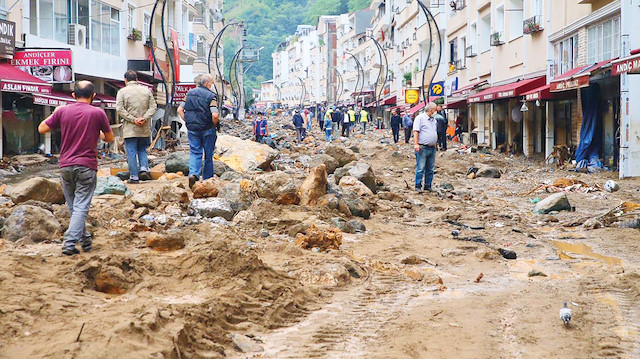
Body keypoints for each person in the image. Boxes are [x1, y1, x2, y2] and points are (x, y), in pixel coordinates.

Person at [38, 80, 114, 255]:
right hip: (86, 165)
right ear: (93, 96)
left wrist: (57, 114)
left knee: (74, 207)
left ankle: (85, 239)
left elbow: (42, 128)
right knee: (80, 207)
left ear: (73, 95)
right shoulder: (97, 113)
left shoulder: (63, 111)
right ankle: (69, 242)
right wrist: (99, 132)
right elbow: (109, 138)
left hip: (65, 166)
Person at [177, 74, 219, 189]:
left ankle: (193, 174)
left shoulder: (189, 94)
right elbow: (215, 115)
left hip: (193, 129)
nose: (211, 85)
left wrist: (188, 121)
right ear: (206, 83)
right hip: (207, 129)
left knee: (195, 152)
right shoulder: (211, 96)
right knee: (208, 155)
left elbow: (179, 109)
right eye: (211, 83)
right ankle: (207, 179)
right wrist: (214, 124)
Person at [116, 70, 157, 184]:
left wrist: (133, 119)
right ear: (137, 79)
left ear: (126, 80)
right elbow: (153, 107)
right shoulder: (146, 91)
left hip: (130, 128)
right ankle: (144, 168)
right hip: (144, 127)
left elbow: (119, 109)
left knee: (131, 151)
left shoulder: (122, 92)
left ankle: (134, 176)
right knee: (142, 149)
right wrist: (144, 117)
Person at [413, 102, 438, 193]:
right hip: (422, 147)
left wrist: (435, 144)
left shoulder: (434, 120)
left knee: (430, 169)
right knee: (421, 168)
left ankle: (428, 186)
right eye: (435, 110)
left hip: (432, 148)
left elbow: (433, 132)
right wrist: (416, 144)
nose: (436, 111)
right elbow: (416, 131)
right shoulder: (420, 118)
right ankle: (418, 186)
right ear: (431, 110)